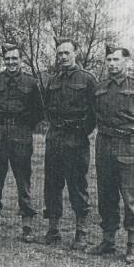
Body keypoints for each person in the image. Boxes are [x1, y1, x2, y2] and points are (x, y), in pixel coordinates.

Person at [92, 45, 134, 264]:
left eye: (116, 59)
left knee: (130, 198)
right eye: (108, 60)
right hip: (104, 146)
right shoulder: (100, 87)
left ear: (126, 61)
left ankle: (133, 244)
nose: (111, 64)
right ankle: (108, 240)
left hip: (128, 147)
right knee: (106, 195)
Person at [0, 43, 44, 241]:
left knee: (23, 179)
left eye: (14, 58)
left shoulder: (31, 83)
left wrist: (24, 125)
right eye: (7, 59)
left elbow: (39, 111)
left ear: (21, 59)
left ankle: (27, 226)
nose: (10, 62)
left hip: (21, 134)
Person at [43, 37, 97, 249]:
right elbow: (47, 107)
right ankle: (53, 229)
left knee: (77, 185)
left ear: (76, 53)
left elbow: (94, 111)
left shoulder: (87, 79)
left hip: (76, 139)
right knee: (52, 185)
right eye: (59, 54)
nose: (63, 57)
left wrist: (82, 131)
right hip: (55, 138)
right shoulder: (53, 80)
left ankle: (81, 232)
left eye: (67, 53)